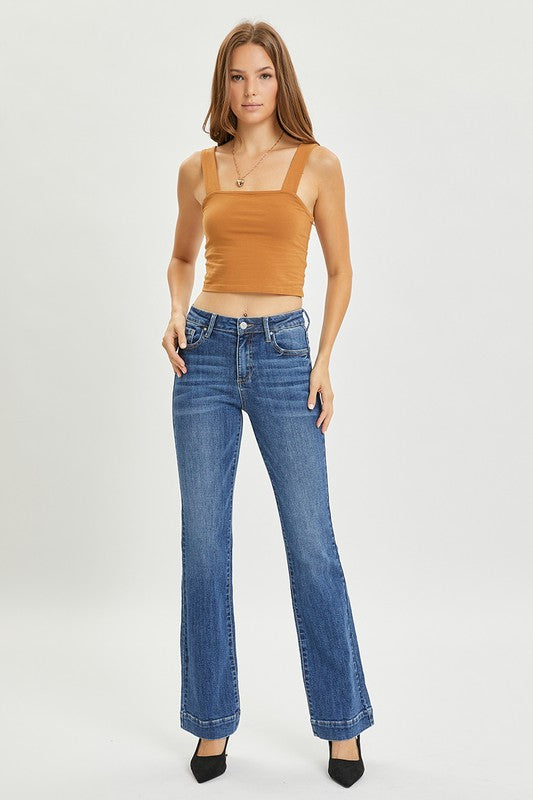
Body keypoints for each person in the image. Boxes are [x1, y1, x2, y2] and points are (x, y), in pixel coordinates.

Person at [162, 20, 375, 787]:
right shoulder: (198, 169)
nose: (249, 90)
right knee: (203, 545)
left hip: (286, 358)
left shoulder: (317, 164)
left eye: (262, 75)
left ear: (280, 81)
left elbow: (340, 271)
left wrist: (323, 362)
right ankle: (211, 721)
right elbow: (181, 256)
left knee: (311, 545)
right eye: (236, 76)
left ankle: (342, 724)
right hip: (204, 355)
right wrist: (175, 310)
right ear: (222, 85)